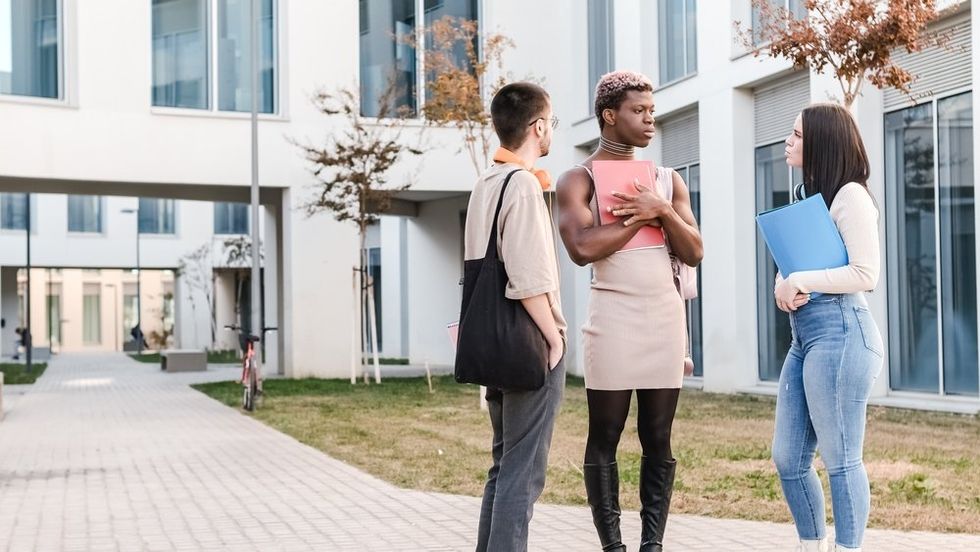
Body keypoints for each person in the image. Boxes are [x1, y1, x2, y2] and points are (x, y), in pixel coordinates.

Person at [556, 71, 703, 552]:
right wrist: (636, 215)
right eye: (639, 112)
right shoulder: (577, 180)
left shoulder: (667, 181)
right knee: (606, 434)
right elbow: (582, 248)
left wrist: (660, 209)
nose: (649, 121)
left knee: (658, 436)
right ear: (609, 116)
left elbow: (696, 250)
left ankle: (652, 546)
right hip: (612, 319)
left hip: (664, 319)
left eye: (652, 112)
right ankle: (613, 547)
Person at [771, 103, 884, 552]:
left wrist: (801, 279)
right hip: (806, 338)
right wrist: (784, 283)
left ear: (820, 143)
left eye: (796, 135)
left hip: (842, 334)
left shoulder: (851, 196)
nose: (787, 141)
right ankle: (811, 545)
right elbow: (800, 268)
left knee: (840, 459)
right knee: (788, 458)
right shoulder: (810, 197)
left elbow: (865, 274)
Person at [467, 81, 566, 552]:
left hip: (493, 342)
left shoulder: (485, 182)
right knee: (523, 474)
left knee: (504, 465)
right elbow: (528, 280)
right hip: (528, 343)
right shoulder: (522, 184)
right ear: (538, 126)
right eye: (552, 123)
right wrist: (555, 338)